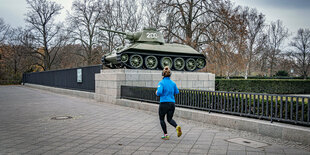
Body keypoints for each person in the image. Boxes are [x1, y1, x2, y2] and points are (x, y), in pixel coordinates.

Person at [156, 66, 182, 140]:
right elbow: (177, 92)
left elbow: (159, 92)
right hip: (172, 103)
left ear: (163, 74)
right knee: (169, 119)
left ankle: (166, 134)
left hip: (164, 103)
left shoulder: (161, 82)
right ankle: (177, 127)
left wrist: (156, 92)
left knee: (161, 119)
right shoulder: (173, 83)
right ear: (170, 74)